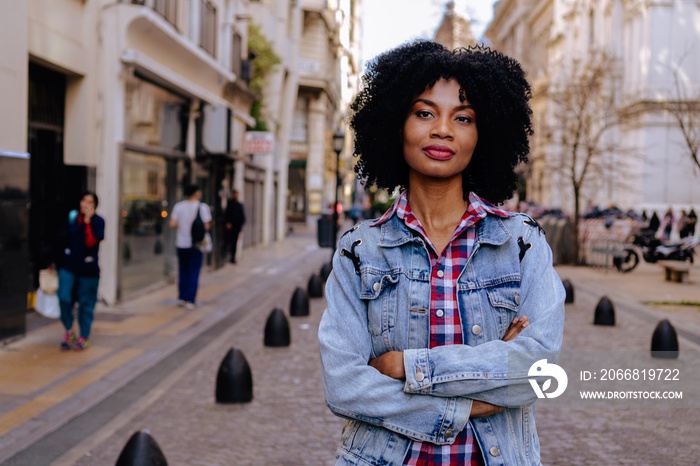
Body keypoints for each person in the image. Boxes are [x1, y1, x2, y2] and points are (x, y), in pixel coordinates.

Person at [318, 41, 565, 465]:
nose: (443, 129)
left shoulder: (521, 243)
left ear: (482, 133)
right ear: (397, 124)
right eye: (425, 112)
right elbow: (345, 386)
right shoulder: (359, 250)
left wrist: (407, 367)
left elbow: (538, 371)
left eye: (463, 117)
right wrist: (472, 397)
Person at [56, 192, 105, 351]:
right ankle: (69, 330)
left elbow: (90, 243)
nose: (85, 204)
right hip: (69, 265)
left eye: (89, 202)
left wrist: (87, 221)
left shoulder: (98, 222)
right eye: (83, 200)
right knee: (63, 297)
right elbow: (62, 238)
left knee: (86, 303)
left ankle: (84, 335)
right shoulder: (72, 218)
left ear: (94, 206)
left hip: (88, 269)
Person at [170, 184, 212, 309]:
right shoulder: (202, 207)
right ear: (196, 193)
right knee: (194, 272)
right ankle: (190, 299)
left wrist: (182, 225)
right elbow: (207, 226)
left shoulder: (179, 206)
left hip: (181, 243)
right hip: (196, 244)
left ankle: (181, 298)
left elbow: (172, 224)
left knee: (183, 271)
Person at [224, 189, 245, 264]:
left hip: (237, 226)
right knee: (229, 241)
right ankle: (228, 256)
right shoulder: (230, 203)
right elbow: (227, 214)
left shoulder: (239, 204)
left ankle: (233, 257)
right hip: (230, 227)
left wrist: (241, 225)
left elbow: (242, 216)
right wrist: (228, 223)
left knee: (235, 242)